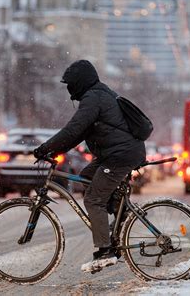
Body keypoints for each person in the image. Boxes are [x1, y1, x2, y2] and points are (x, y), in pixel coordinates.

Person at [33, 60, 146, 272]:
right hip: (116, 154)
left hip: (119, 156)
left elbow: (73, 129)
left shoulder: (93, 99)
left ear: (80, 82)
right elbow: (78, 134)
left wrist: (45, 148)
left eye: (70, 84)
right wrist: (54, 150)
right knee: (86, 176)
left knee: (94, 199)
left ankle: (105, 251)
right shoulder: (97, 95)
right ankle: (120, 214)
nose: (69, 90)